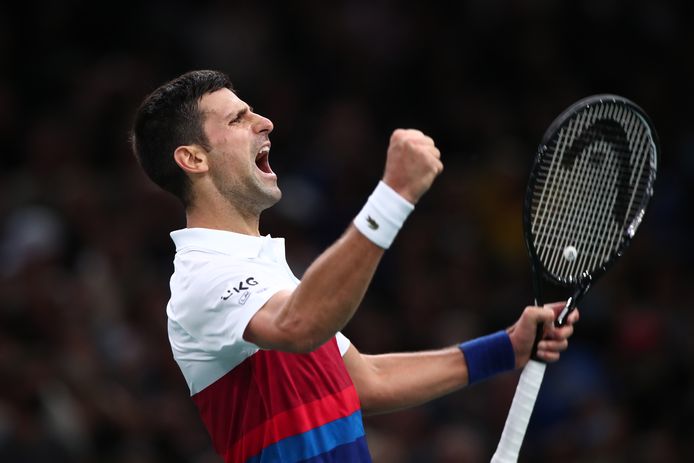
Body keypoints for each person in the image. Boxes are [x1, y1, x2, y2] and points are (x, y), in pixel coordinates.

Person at [131, 69, 579, 463]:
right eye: (237, 119)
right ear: (194, 159)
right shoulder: (203, 276)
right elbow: (298, 325)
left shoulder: (263, 271)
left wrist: (508, 348)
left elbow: (368, 380)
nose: (265, 122)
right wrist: (393, 196)